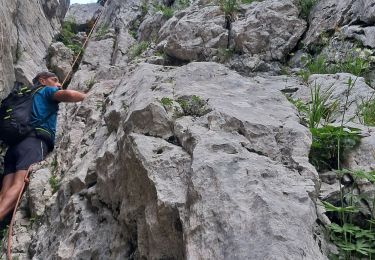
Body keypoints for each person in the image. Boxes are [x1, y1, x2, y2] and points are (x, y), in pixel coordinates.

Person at [0, 71, 86, 221]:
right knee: (19, 186)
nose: (59, 84)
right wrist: (87, 96)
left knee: (4, 193)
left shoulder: (26, 96)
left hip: (13, 149)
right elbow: (70, 95)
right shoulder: (45, 90)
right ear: (42, 80)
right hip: (33, 143)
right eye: (55, 80)